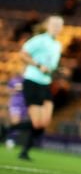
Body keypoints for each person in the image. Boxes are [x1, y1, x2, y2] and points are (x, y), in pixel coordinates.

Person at [5, 16, 65, 160]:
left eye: (59, 25)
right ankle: (19, 145)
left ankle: (14, 137)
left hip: (46, 83)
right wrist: (38, 65)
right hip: (32, 81)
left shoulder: (58, 45)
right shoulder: (40, 39)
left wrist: (56, 70)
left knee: (44, 123)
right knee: (37, 122)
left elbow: (52, 65)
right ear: (48, 25)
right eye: (54, 24)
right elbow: (23, 54)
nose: (57, 27)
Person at [1, 74, 28, 149]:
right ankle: (9, 138)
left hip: (25, 104)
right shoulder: (14, 80)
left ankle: (12, 139)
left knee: (19, 123)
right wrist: (15, 90)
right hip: (15, 103)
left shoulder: (29, 80)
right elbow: (7, 90)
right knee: (15, 121)